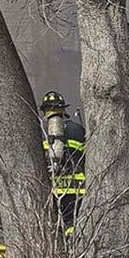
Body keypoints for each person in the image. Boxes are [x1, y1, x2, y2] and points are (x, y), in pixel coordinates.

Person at [39, 90, 86, 233]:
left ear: (45, 111)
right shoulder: (78, 129)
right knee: (73, 222)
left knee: (55, 224)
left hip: (53, 186)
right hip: (77, 186)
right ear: (64, 109)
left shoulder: (43, 132)